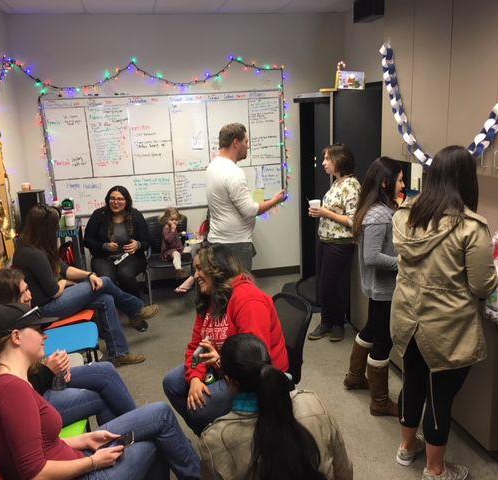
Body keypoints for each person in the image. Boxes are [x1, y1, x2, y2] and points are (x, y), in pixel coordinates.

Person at [0, 302, 201, 480]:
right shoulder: (12, 391)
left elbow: (43, 446)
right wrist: (93, 463)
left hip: (74, 458)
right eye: (38, 330)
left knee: (159, 414)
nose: (44, 335)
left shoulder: (9, 381)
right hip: (81, 473)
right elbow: (36, 474)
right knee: (153, 444)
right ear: (16, 337)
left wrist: (85, 439)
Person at [391, 145, 497, 480]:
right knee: (440, 397)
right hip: (446, 326)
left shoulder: (406, 216)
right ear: (467, 180)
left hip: (408, 318)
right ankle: (436, 469)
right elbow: (482, 286)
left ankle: (407, 448)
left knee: (413, 382)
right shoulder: (471, 228)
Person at [0, 268, 137, 427]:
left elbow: (28, 372)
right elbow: (16, 397)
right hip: (28, 408)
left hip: (39, 384)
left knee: (105, 371)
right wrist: (49, 372)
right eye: (23, 293)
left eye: (28, 289)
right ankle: (133, 437)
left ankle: (134, 435)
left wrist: (56, 371)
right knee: (101, 397)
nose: (30, 296)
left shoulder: (11, 327)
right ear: (6, 301)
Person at [162, 244, 289, 436]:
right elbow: (198, 346)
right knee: (172, 382)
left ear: (217, 268)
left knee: (198, 410)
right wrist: (196, 377)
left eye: (199, 268)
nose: (195, 276)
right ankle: (215, 434)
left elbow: (254, 361)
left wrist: (221, 362)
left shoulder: (248, 299)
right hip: (225, 368)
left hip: (256, 376)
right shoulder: (211, 299)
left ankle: (223, 436)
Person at [12, 204, 154, 367]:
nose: (57, 230)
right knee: (106, 282)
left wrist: (89, 275)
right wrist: (65, 282)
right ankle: (136, 309)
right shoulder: (33, 254)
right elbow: (54, 291)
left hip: (51, 302)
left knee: (105, 298)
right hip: (46, 310)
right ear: (45, 229)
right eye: (55, 227)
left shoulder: (33, 245)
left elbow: (64, 268)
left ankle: (119, 354)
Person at [199, 334, 353, 480]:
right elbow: (344, 471)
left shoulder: (214, 440)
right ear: (269, 364)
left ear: (231, 382)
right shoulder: (313, 403)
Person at [343, 157, 404, 417]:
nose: (403, 185)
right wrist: (402, 262)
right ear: (386, 182)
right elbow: (372, 257)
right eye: (400, 180)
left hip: (377, 287)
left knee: (370, 328)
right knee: (383, 340)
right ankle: (379, 401)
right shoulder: (379, 214)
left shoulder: (376, 207)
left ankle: (355, 376)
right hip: (384, 288)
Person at [205, 123, 286, 270]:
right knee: (239, 290)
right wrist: (275, 200)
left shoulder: (212, 166)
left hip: (216, 241)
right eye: (246, 142)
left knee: (224, 289)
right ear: (236, 142)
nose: (248, 146)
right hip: (234, 245)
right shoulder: (233, 172)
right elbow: (250, 211)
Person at [307, 144, 361, 343]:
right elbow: (333, 213)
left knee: (330, 285)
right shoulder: (337, 183)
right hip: (325, 240)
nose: (323, 163)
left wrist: (325, 213)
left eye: (327, 159)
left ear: (339, 161)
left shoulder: (352, 185)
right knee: (324, 285)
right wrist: (319, 212)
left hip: (340, 243)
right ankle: (326, 322)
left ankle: (337, 323)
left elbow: (354, 221)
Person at [84, 185, 151, 300]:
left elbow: (147, 241)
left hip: (132, 257)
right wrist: (104, 246)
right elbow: (87, 241)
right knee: (107, 278)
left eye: (120, 199)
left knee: (125, 275)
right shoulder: (99, 215)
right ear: (108, 200)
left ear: (127, 201)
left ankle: (136, 309)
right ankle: (116, 308)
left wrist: (138, 245)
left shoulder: (135, 215)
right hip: (104, 258)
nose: (115, 202)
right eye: (112, 198)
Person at [159, 207, 190, 277]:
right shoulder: (165, 229)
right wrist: (173, 231)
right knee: (176, 254)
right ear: (166, 220)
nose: (174, 221)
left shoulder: (175, 227)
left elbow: (175, 238)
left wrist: (180, 234)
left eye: (176, 220)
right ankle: (179, 269)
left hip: (177, 248)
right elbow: (169, 240)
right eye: (172, 220)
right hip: (168, 251)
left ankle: (180, 256)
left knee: (189, 249)